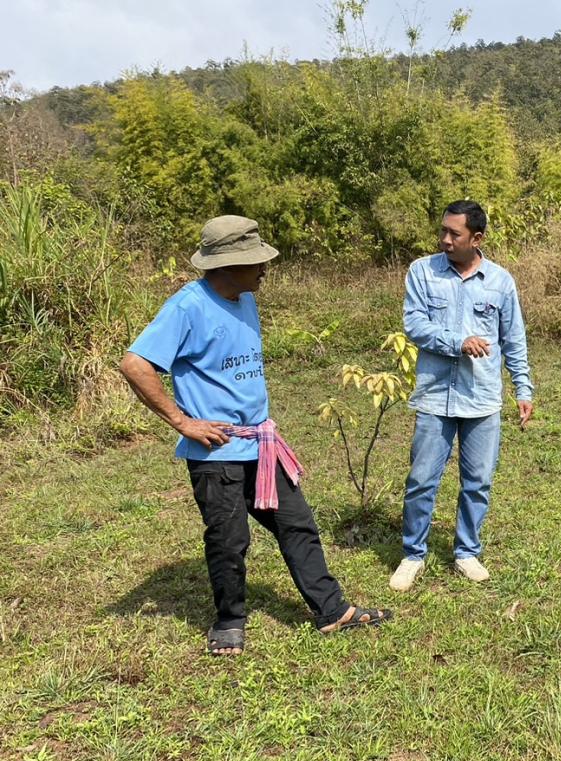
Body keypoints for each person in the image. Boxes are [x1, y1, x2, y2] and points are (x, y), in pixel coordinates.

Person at [120, 215, 392, 656]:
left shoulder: (244, 298)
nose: (265, 268)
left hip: (261, 445)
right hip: (217, 452)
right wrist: (184, 422)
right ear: (226, 265)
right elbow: (135, 364)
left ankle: (332, 611)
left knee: (297, 524)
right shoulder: (187, 307)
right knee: (229, 539)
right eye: (255, 262)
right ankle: (229, 622)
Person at [390, 200, 533, 590]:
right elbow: (414, 324)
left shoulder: (501, 281)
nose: (445, 239)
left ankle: (466, 551)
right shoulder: (423, 272)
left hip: (483, 397)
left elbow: (513, 339)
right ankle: (412, 554)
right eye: (443, 231)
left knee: (478, 481)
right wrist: (458, 341)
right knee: (421, 479)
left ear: (477, 238)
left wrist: (523, 387)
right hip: (435, 396)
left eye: (454, 233)